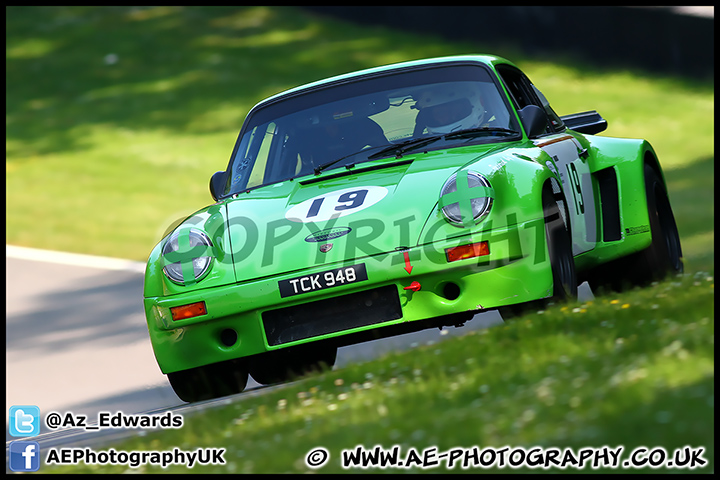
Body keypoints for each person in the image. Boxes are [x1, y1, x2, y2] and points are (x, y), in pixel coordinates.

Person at [413, 83, 490, 135]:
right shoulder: (422, 147)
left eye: (452, 110)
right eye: (440, 113)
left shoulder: (498, 134)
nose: (446, 117)